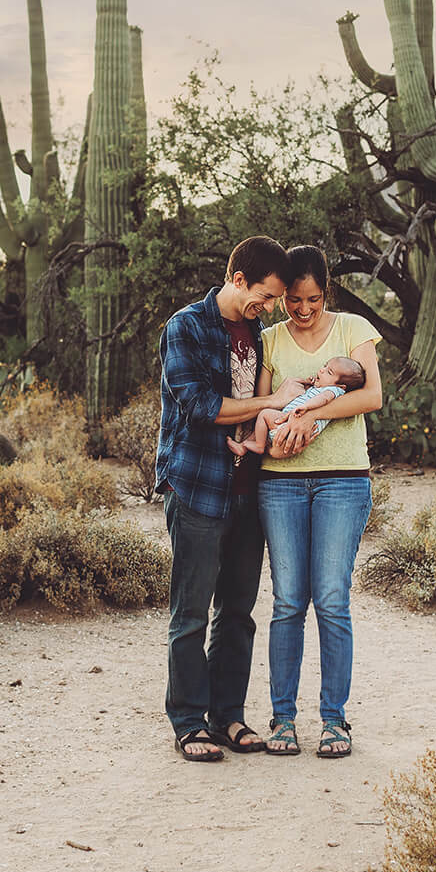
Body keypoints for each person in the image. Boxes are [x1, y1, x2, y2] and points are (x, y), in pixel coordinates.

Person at [156, 236, 298, 764]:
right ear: (238, 280)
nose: (268, 308)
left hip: (248, 489)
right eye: (264, 296)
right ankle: (189, 722)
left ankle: (228, 716)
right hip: (197, 485)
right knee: (191, 613)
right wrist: (273, 400)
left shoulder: (258, 332)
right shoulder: (186, 326)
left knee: (238, 611)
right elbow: (198, 406)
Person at [255, 244, 382, 760]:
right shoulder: (269, 340)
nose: (302, 310)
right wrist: (278, 424)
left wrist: (309, 418)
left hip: (343, 481)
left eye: (311, 299)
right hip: (280, 482)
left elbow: (372, 395)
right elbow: (263, 403)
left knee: (331, 599)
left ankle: (335, 721)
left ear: (324, 292)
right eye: (292, 301)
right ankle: (282, 719)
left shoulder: (355, 329)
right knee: (287, 603)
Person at [225, 356, 366, 456]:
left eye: (329, 372)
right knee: (265, 424)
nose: (322, 370)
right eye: (325, 366)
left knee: (264, 414)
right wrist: (312, 384)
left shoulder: (334, 391)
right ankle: (244, 446)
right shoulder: (323, 387)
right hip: (290, 431)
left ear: (341, 386)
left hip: (290, 426)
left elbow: (322, 399)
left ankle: (258, 445)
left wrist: (306, 407)